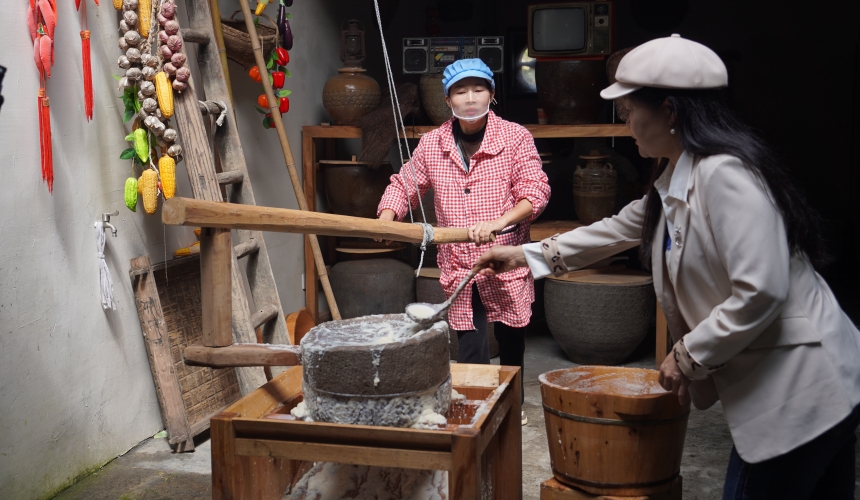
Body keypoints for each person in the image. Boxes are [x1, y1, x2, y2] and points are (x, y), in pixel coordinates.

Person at [475, 34, 860, 498]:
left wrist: (688, 354)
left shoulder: (726, 175)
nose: (627, 123)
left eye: (631, 111)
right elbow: (617, 229)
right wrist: (524, 255)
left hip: (804, 384)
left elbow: (763, 289)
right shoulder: (678, 173)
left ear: (671, 112)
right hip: (803, 387)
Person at [377, 59, 550, 425]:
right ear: (448, 100)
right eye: (460, 91)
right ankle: (476, 408)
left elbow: (535, 191)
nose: (470, 98)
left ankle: (512, 403)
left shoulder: (515, 137)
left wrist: (499, 222)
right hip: (460, 262)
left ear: (491, 93)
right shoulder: (433, 143)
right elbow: (405, 183)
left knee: (511, 335)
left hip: (504, 256)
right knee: (470, 342)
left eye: (478, 89)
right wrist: (388, 218)